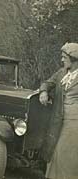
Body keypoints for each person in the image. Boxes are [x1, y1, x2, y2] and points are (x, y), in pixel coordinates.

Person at [39, 42, 78, 179]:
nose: (61, 60)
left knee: (67, 155)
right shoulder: (61, 73)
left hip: (75, 123)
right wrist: (43, 91)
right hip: (59, 119)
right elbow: (47, 83)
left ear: (73, 59)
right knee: (55, 153)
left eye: (64, 57)